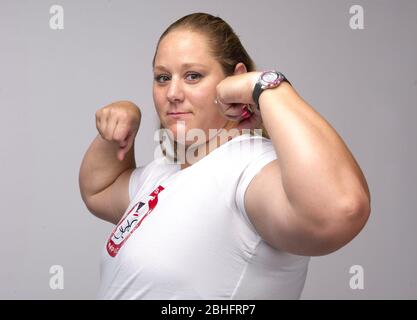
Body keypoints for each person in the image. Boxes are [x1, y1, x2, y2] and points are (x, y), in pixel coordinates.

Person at [79, 12, 371, 300]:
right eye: (162, 77)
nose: (172, 93)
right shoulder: (163, 173)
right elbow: (99, 189)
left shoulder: (251, 169)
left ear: (235, 79)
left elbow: (341, 208)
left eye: (193, 76)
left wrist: (265, 88)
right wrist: (123, 120)